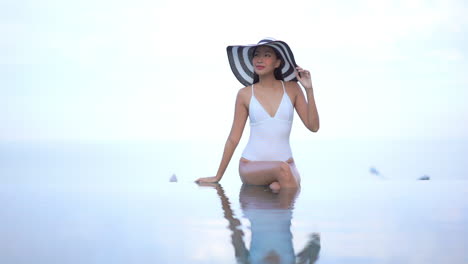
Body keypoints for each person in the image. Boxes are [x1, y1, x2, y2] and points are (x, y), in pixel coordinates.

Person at [196, 38, 319, 191]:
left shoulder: (293, 89)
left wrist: (309, 90)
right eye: (256, 55)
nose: (259, 59)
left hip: (288, 165)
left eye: (267, 55)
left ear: (277, 62)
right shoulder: (245, 94)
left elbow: (313, 127)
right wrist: (217, 176)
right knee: (283, 171)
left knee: (277, 186)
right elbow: (233, 138)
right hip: (251, 166)